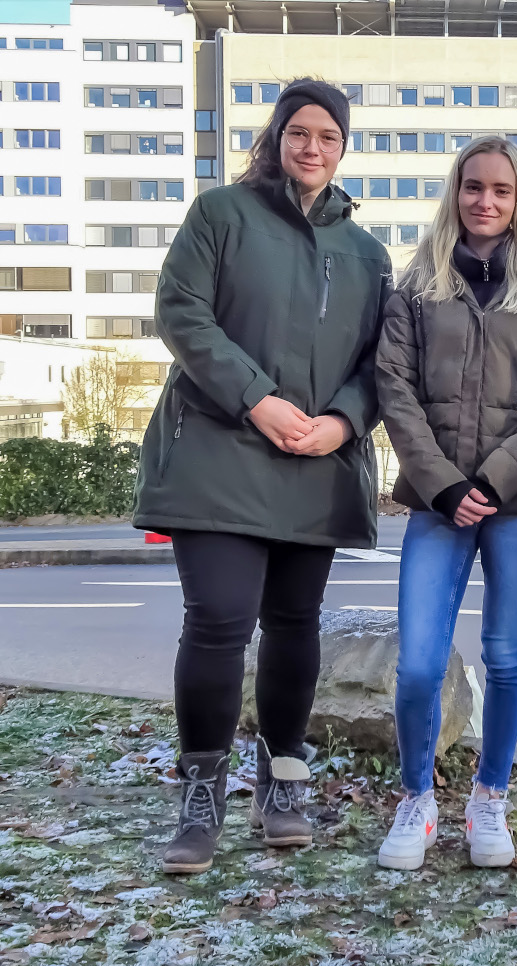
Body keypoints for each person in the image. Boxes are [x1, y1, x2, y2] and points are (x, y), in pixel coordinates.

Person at [133, 78, 392, 875]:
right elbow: (181, 311)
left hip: (316, 461)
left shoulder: (368, 253)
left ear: (344, 148)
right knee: (218, 619)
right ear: (277, 135)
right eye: (299, 132)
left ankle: (282, 779)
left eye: (329, 137)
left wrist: (344, 421)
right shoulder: (220, 215)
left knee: (294, 624)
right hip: (219, 449)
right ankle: (202, 790)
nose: (312, 148)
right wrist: (259, 402)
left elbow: (383, 361)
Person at [374, 136, 517, 871]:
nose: (485, 201)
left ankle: (490, 796)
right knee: (420, 665)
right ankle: (415, 797)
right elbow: (393, 391)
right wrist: (446, 485)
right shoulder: (417, 286)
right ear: (454, 192)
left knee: (505, 654)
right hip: (437, 504)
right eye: (473, 187)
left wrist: (491, 480)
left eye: (500, 189)